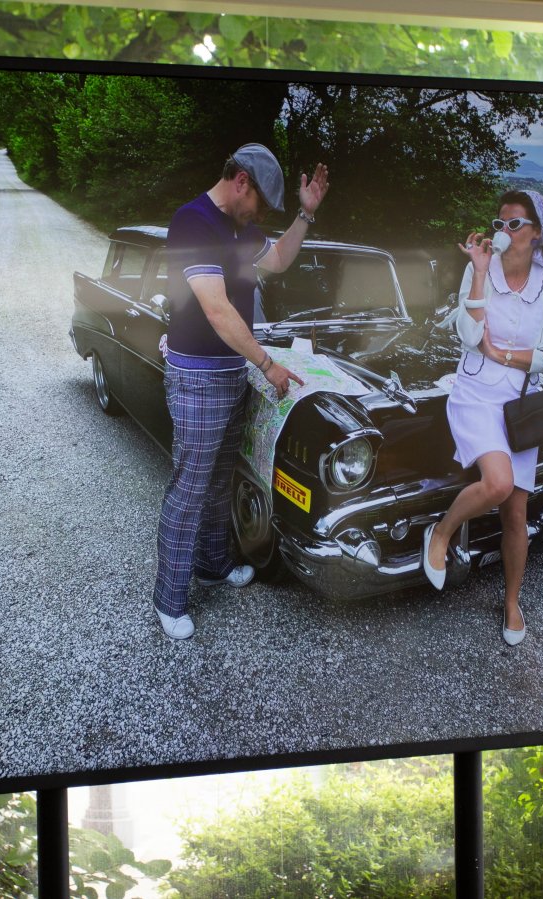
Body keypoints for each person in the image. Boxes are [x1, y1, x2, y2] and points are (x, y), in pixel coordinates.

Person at [152, 143, 330, 640]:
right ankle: (169, 599)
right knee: (190, 488)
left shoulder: (242, 229)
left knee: (220, 480)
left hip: (232, 372)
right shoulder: (193, 223)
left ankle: (212, 566)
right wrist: (267, 364)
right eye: (261, 205)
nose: (262, 217)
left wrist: (305, 215)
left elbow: (280, 259)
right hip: (197, 376)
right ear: (241, 182)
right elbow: (216, 309)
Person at [422, 189, 543, 646]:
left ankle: (512, 601)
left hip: (520, 404)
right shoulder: (478, 268)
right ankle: (441, 533)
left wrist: (503, 354)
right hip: (476, 393)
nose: (504, 231)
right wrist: (480, 273)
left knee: (516, 514)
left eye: (515, 224)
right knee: (499, 483)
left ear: (536, 233)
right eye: (500, 223)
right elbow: (468, 336)